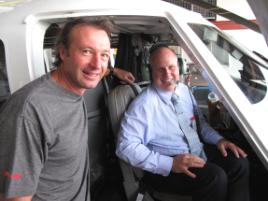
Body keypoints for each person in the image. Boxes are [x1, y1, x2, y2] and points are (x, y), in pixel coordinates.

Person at [0, 17, 134, 201]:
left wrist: (113, 70)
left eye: (104, 55)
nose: (97, 64)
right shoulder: (30, 111)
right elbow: (15, 197)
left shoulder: (75, 88)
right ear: (63, 53)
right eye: (86, 52)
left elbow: (98, 68)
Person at [116, 45, 250, 201]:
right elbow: (125, 147)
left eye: (171, 67)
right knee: (215, 177)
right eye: (160, 69)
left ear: (179, 67)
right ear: (150, 71)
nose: (167, 74)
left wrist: (220, 140)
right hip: (166, 167)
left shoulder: (184, 91)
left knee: (239, 162)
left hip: (196, 151)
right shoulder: (143, 105)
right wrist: (170, 163)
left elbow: (201, 126)